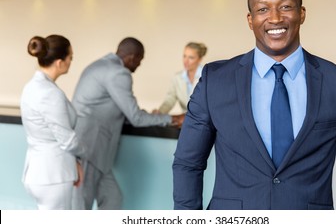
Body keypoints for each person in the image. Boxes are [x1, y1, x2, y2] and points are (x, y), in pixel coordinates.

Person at [173, 0, 336, 210]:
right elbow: (188, 164)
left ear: (302, 13)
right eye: (263, 9)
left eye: (285, 7)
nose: (275, 18)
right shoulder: (215, 80)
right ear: (250, 20)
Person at [72, 37, 184, 210]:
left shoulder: (99, 65)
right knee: (81, 207)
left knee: (113, 200)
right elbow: (135, 117)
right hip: (91, 149)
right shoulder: (118, 73)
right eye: (140, 60)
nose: (139, 65)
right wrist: (173, 119)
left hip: (98, 153)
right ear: (133, 57)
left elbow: (122, 111)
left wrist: (154, 116)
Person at [20, 35, 85, 210]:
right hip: (53, 175)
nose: (71, 61)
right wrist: (84, 155)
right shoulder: (49, 93)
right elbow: (67, 139)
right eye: (70, 57)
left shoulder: (31, 87)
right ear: (59, 62)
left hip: (38, 172)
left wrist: (75, 162)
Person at [156, 42, 207, 114]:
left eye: (191, 57)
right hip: (185, 119)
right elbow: (170, 99)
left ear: (200, 59)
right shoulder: (177, 78)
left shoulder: (207, 77)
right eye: (184, 56)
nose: (186, 61)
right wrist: (160, 112)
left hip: (203, 120)